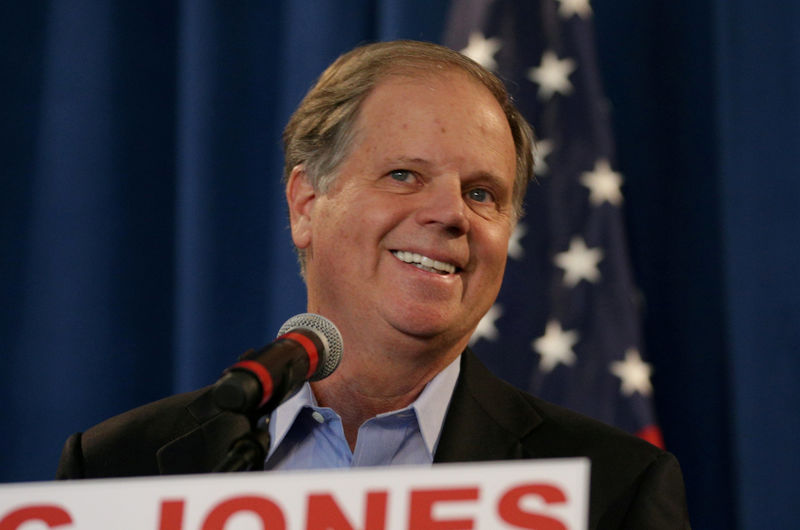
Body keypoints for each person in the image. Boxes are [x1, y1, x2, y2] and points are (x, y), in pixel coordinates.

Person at [57, 40, 690, 528]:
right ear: (307, 205)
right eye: (404, 175)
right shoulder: (120, 467)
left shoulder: (612, 488)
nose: (450, 214)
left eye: (481, 193)